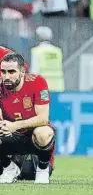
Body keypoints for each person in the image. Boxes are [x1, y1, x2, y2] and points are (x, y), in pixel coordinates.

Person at [0, 53, 55, 184]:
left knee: (44, 132)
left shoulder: (37, 82)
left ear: (22, 72)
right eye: (3, 71)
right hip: (11, 137)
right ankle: (9, 167)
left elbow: (43, 119)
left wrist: (14, 125)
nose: (6, 76)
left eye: (11, 72)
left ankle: (42, 169)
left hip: (33, 138)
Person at [30, 26, 65, 92]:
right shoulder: (57, 51)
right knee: (55, 102)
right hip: (58, 86)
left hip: (43, 87)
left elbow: (34, 70)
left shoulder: (37, 51)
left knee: (45, 102)